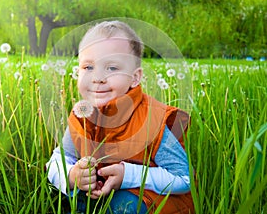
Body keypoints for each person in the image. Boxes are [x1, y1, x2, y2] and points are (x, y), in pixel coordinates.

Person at [46, 20, 195, 213]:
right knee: (63, 194)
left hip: (146, 199)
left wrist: (128, 176)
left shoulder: (152, 120)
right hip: (99, 195)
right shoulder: (81, 116)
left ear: (135, 77)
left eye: (112, 68)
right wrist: (72, 176)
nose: (97, 77)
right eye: (88, 67)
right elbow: (59, 158)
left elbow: (184, 179)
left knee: (124, 205)